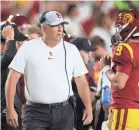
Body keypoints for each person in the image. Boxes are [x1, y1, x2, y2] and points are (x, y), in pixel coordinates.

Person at [5, 11, 93, 130]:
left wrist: (88, 107)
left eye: (61, 25)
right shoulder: (28, 47)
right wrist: (10, 108)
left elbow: (81, 81)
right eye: (55, 25)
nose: (60, 29)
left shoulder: (71, 49)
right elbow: (12, 79)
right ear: (44, 28)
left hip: (64, 111)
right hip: (35, 112)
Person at [99, 10, 139, 130]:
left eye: (119, 27)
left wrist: (105, 67)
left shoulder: (125, 48)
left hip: (125, 111)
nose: (117, 31)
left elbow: (118, 83)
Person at [1, 23, 28, 130]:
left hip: (17, 112)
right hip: (4, 112)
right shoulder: (6, 57)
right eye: (17, 43)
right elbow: (9, 57)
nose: (20, 46)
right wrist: (9, 39)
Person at [70, 37, 97, 130]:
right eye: (86, 52)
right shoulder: (65, 70)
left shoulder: (85, 72)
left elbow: (94, 93)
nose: (90, 56)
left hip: (80, 121)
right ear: (75, 51)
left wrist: (88, 104)